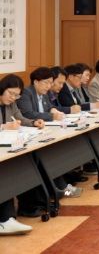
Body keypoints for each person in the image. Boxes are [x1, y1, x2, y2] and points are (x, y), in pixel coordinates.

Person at [0, 74, 43, 235]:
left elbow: (20, 119)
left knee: (26, 161)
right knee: (6, 170)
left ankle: (29, 206)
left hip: (7, 147)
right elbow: (5, 126)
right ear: (2, 89)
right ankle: (6, 219)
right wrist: (4, 127)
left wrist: (33, 122)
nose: (13, 98)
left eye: (16, 95)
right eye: (10, 93)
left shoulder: (11, 104)